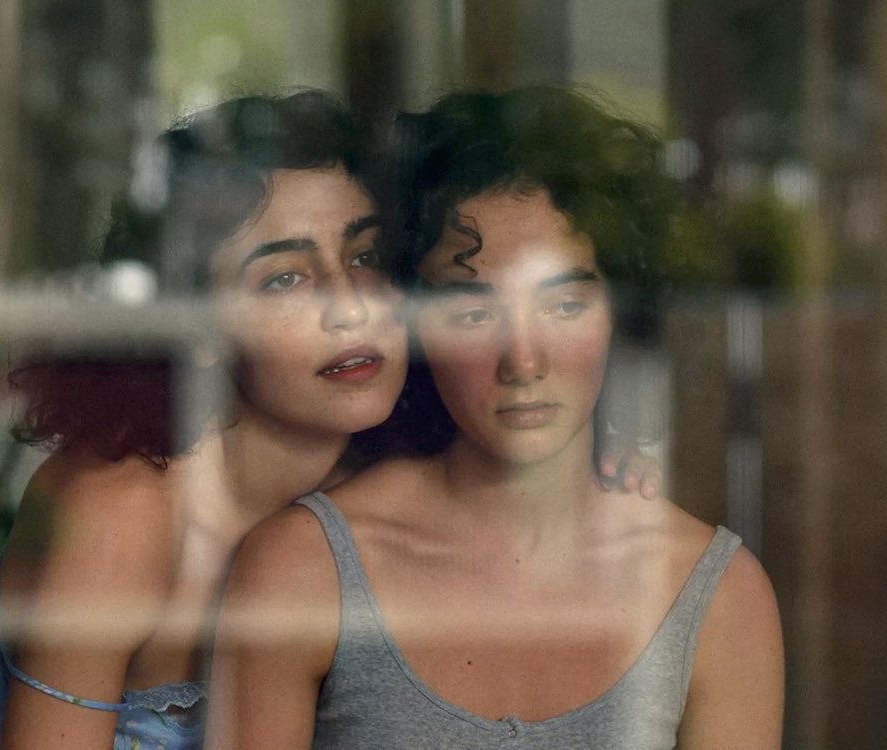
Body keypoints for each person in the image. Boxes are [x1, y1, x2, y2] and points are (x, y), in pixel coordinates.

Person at [0, 90, 660, 750]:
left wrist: (607, 470)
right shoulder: (122, 514)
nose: (350, 305)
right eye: (285, 279)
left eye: (363, 257)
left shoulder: (398, 472)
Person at [207, 86, 784, 749]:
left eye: (563, 305)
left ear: (622, 316)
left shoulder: (719, 599)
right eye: (473, 312)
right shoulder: (302, 568)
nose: (524, 360)